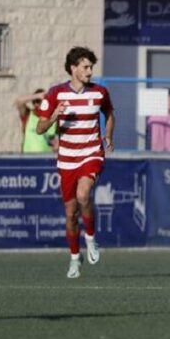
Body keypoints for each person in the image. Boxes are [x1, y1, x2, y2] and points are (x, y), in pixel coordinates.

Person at [34, 47, 114, 279]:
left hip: (91, 153)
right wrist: (54, 116)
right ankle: (74, 258)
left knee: (83, 195)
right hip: (67, 159)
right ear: (73, 68)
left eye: (91, 67)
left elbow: (109, 113)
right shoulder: (55, 93)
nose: (90, 71)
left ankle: (90, 239)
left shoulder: (99, 92)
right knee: (70, 213)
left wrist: (109, 134)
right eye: (85, 67)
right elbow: (40, 128)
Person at [14, 88, 57, 153]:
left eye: (39, 101)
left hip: (46, 158)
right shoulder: (28, 114)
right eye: (34, 101)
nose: (37, 104)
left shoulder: (53, 118)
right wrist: (37, 96)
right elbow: (19, 101)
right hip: (28, 157)